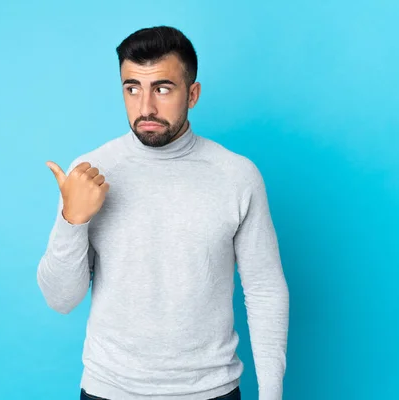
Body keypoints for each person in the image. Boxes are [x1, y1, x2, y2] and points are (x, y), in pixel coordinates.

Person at [37, 26, 289, 400]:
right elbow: (61, 301)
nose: (145, 108)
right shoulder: (91, 172)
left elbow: (265, 290)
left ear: (193, 93)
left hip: (211, 391)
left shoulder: (237, 175)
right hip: (109, 390)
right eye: (132, 88)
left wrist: (272, 395)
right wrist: (72, 220)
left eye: (163, 89)